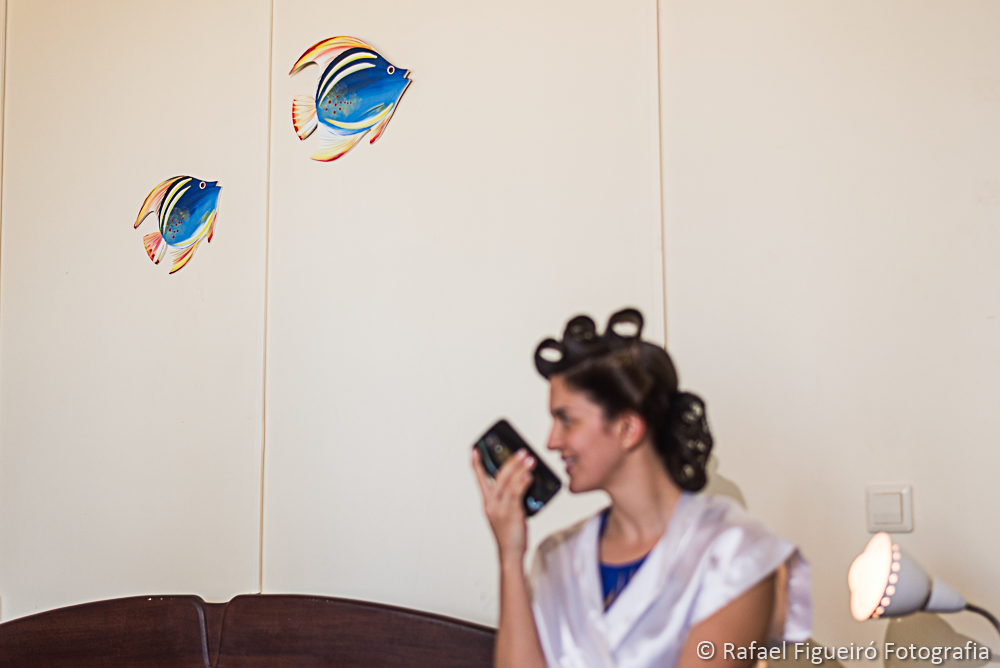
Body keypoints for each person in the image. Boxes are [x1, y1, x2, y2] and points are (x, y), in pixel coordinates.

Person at [472, 308, 810, 668]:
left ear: (627, 428)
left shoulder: (734, 553)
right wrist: (510, 555)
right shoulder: (556, 561)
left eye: (566, 420)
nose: (552, 441)